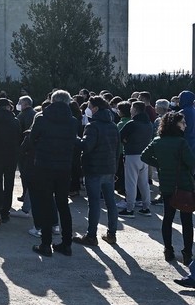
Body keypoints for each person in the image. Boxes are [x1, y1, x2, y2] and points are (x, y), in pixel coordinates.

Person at [29, 90, 80, 257]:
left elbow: (32, 139)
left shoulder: (42, 118)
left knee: (45, 204)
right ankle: (66, 244)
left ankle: (46, 243)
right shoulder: (72, 121)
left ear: (52, 100)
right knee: (63, 205)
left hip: (44, 165)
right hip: (64, 166)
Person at [141, 112, 194, 265]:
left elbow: (144, 156)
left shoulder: (158, 141)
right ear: (175, 125)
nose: (185, 125)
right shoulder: (181, 142)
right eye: (182, 123)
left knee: (168, 218)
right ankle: (187, 253)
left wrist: (161, 165)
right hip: (183, 184)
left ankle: (168, 250)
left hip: (166, 185)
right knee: (186, 220)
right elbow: (191, 162)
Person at [73, 96, 120, 248]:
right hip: (109, 168)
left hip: (94, 169)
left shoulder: (92, 126)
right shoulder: (113, 125)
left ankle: (91, 235)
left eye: (90, 106)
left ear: (95, 109)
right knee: (110, 202)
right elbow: (117, 149)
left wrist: (75, 139)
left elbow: (86, 146)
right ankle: (112, 234)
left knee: (94, 203)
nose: (88, 109)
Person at [117, 101, 154, 219]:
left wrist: (125, 142)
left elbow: (119, 136)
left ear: (135, 109)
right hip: (144, 156)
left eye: (132, 108)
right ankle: (146, 207)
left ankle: (129, 209)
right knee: (144, 183)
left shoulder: (132, 124)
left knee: (131, 183)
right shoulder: (149, 124)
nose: (130, 110)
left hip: (132, 155)